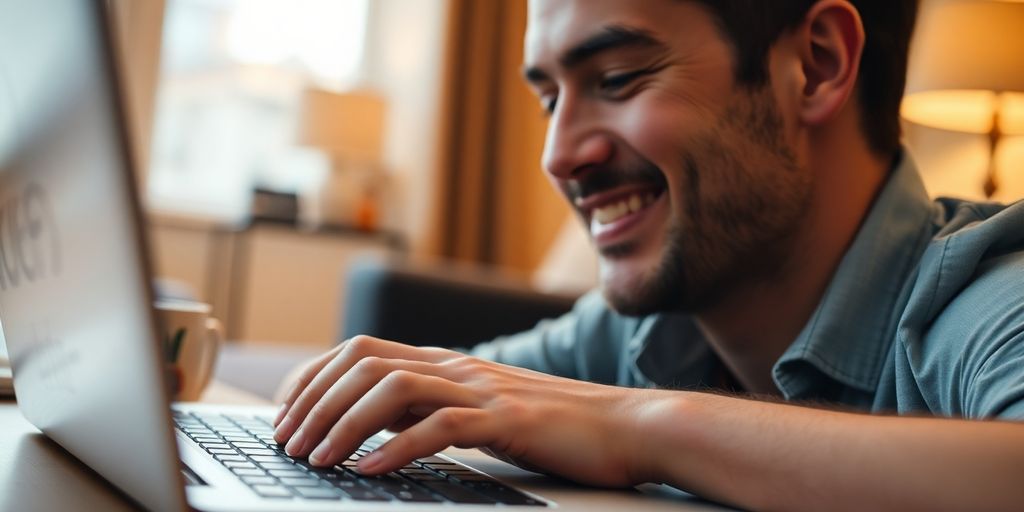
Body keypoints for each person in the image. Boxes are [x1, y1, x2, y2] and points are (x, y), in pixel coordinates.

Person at [272, 1, 1024, 509]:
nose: (558, 156)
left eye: (618, 78)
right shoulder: (649, 326)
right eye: (549, 99)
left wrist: (640, 427)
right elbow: (430, 396)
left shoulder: (988, 298)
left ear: (817, 65)